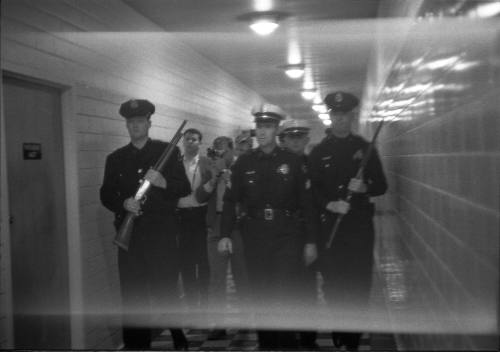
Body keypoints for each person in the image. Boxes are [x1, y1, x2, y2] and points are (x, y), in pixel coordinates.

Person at [219, 103, 317, 349]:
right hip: (255, 235)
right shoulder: (243, 163)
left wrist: (311, 241)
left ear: (276, 130)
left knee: (284, 293)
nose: (262, 131)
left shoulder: (292, 162)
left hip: (287, 235)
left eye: (267, 126)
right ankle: (267, 344)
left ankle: (286, 345)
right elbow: (230, 200)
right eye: (259, 126)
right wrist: (224, 234)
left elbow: (307, 204)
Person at [100, 99, 191, 350]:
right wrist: (124, 204)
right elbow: (106, 194)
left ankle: (176, 333)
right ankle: (136, 345)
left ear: (149, 123)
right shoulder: (115, 158)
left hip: (161, 236)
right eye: (131, 122)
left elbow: (184, 188)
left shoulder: (167, 152)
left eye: (140, 121)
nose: (135, 126)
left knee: (166, 289)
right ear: (126, 126)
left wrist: (162, 182)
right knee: (132, 296)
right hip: (130, 238)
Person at [308, 92, 388, 351]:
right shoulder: (319, 152)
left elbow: (382, 186)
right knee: (333, 282)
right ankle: (339, 329)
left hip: (359, 230)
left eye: (345, 115)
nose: (340, 119)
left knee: (358, 283)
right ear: (330, 116)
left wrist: (364, 187)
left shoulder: (365, 148)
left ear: (352, 117)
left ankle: (352, 339)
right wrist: (330, 204)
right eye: (335, 114)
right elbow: (313, 191)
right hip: (330, 228)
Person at [279, 119, 319, 349]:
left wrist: (312, 241)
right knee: (284, 289)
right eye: (290, 136)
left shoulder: (314, 165)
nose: (295, 140)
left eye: (299, 136)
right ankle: (287, 338)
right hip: (281, 237)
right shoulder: (275, 165)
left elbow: (316, 204)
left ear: (307, 139)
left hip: (306, 234)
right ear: (283, 139)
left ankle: (308, 338)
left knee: (306, 288)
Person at [177, 128, 217, 317]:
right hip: (181, 218)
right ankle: (192, 304)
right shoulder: (175, 164)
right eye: (187, 139)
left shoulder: (207, 163)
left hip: (201, 216)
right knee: (186, 262)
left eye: (194, 139)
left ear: (200, 143)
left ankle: (205, 300)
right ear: (182, 142)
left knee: (203, 261)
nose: (190, 142)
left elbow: (213, 191)